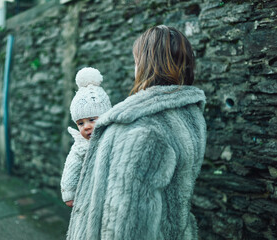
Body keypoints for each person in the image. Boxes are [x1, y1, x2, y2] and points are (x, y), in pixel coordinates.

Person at [66, 25, 207, 240]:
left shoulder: (142, 127)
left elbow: (125, 224)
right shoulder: (190, 115)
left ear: (145, 64)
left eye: (136, 61)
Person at [60, 67, 112, 208]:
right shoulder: (81, 145)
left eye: (92, 120)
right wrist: (69, 193)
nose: (86, 127)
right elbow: (72, 167)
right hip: (90, 195)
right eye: (80, 124)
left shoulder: (115, 136)